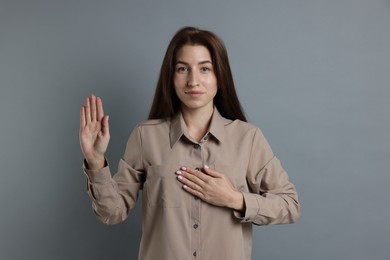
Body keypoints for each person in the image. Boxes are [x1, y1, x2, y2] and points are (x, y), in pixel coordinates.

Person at [79, 26, 300, 260]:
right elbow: (111, 213)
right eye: (183, 69)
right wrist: (95, 162)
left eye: (205, 68)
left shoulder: (248, 138)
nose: (193, 81)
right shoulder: (146, 136)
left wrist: (234, 199)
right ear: (171, 77)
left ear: (220, 76)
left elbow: (289, 205)